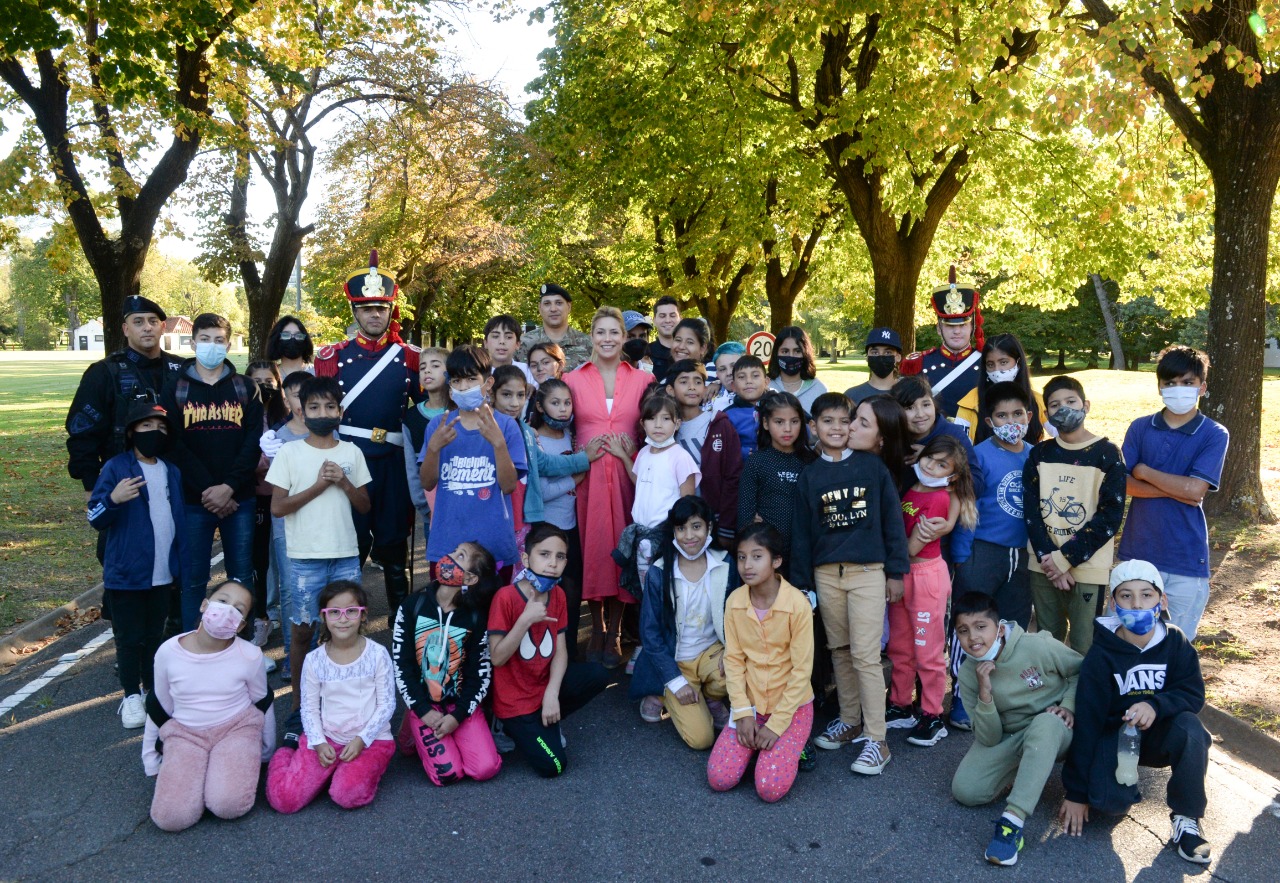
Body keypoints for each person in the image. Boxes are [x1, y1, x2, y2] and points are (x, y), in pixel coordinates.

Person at [1059, 560, 1213, 866]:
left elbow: (1193, 694)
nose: (1137, 603)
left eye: (1146, 594)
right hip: (1114, 738)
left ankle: (1187, 818)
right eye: (1126, 596)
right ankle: (1119, 785)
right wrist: (1075, 792)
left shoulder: (1176, 642)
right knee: (1109, 805)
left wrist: (1155, 705)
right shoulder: (1101, 655)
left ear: (1162, 600)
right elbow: (1088, 723)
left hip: (1158, 736)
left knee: (1192, 730)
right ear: (1113, 603)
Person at [791, 393, 910, 774]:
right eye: (828, 421)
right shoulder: (810, 476)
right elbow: (803, 534)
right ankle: (849, 718)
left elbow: (893, 522)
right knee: (839, 649)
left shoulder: (872, 469)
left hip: (867, 573)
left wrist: (896, 572)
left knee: (865, 654)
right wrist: (804, 583)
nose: (838, 428)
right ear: (814, 427)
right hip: (827, 574)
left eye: (846, 421)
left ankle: (878, 739)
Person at [315, 250, 420, 616]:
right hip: (349, 461)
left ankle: (401, 621)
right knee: (350, 545)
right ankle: (343, 621)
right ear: (355, 312)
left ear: (391, 311)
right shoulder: (331, 358)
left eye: (381, 308)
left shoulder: (410, 358)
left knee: (393, 545)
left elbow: (424, 413)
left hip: (391, 465)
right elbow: (318, 415)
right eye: (366, 308)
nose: (375, 314)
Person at [950, 592, 1082, 867]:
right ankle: (1024, 771)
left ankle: (1012, 823)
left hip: (1056, 726)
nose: (973, 637)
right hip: (1012, 734)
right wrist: (985, 693)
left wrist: (1069, 706)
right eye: (963, 631)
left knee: (1045, 724)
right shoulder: (968, 673)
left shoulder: (1037, 646)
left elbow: (1081, 670)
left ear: (998, 629)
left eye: (980, 627)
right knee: (966, 791)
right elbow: (988, 737)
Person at [266, 375, 372, 709]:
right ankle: (300, 702)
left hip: (345, 555)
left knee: (348, 629)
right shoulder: (289, 453)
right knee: (303, 631)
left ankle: (348, 697)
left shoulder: (352, 452)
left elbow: (365, 505)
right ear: (301, 411)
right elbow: (278, 507)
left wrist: (343, 482)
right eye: (314, 406)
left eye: (329, 406)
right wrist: (317, 486)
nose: (322, 412)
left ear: (340, 411)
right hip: (304, 558)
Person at [142, 580, 275, 832]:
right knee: (170, 818)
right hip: (186, 733)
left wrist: (267, 751)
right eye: (223, 601)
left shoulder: (250, 655)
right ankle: (199, 778)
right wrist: (150, 757)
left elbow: (262, 702)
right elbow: (159, 706)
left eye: (238, 609)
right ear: (205, 605)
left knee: (229, 805)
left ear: (242, 624)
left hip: (236, 729)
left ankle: (217, 776)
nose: (228, 611)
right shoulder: (167, 652)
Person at [160, 312, 263, 630]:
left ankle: (238, 648)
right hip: (194, 500)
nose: (211, 346)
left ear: (229, 344)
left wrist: (229, 487)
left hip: (239, 499)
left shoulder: (246, 388)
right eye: (205, 339)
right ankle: (194, 646)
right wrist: (210, 489)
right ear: (193, 342)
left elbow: (253, 441)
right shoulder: (175, 388)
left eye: (219, 340)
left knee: (242, 576)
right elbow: (173, 445)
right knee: (193, 579)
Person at [1118, 346, 1229, 638]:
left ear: (1202, 387)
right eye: (1169, 383)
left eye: (1187, 383)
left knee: (1176, 643)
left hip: (1186, 557)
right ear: (1159, 387)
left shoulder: (1214, 433)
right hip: (1138, 551)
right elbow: (1124, 484)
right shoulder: (1140, 428)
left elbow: (1195, 490)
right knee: (1127, 638)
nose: (1177, 389)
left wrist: (1145, 472)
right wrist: (1178, 489)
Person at [88, 401, 186, 729]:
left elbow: (178, 519)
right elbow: (95, 517)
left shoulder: (172, 470)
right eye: (146, 427)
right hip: (127, 573)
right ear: (132, 432)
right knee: (129, 637)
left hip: (163, 571)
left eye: (160, 428)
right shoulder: (117, 467)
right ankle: (130, 695)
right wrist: (113, 499)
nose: (153, 433)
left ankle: (150, 691)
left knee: (154, 635)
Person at [562, 307, 651, 665]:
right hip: (589, 479)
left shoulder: (644, 380)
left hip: (629, 479)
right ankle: (596, 629)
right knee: (594, 550)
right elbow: (561, 425)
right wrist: (577, 456)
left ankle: (615, 631)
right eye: (601, 332)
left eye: (615, 332)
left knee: (623, 550)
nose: (608, 338)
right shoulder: (572, 378)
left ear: (625, 336)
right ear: (592, 336)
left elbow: (653, 424)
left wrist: (635, 449)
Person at [487, 524, 610, 777]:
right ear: (525, 558)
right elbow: (497, 658)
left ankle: (546, 717)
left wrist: (552, 694)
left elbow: (561, 651)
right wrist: (525, 620)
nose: (552, 563)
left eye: (560, 556)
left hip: (542, 689)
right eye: (544, 554)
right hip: (515, 701)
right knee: (554, 766)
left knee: (598, 675)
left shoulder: (559, 595)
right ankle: (504, 726)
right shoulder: (506, 597)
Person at [265, 581, 396, 812]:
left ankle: (348, 771)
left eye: (351, 611)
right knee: (284, 800)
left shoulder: (377, 654)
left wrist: (361, 739)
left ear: (363, 615)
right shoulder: (314, 659)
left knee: (347, 795)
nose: (343, 618)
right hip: (327, 738)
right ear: (323, 617)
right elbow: (309, 707)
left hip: (371, 740)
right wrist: (317, 741)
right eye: (334, 612)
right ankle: (287, 752)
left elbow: (387, 705)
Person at [707, 523, 814, 802]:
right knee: (720, 778)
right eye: (741, 557)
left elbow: (802, 672)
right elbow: (733, 660)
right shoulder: (735, 602)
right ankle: (761, 748)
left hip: (791, 709)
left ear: (776, 561)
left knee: (769, 788)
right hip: (751, 706)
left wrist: (777, 725)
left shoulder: (797, 605)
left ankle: (790, 746)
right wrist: (742, 713)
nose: (747, 565)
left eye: (757, 556)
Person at [887, 435, 977, 747]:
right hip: (903, 574)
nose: (932, 467)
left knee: (928, 650)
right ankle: (900, 704)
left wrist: (894, 564)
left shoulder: (939, 498)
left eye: (942, 465)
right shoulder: (913, 487)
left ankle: (932, 714)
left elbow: (913, 547)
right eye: (930, 459)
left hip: (924, 575)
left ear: (951, 475)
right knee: (900, 646)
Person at [1025, 375, 1126, 655]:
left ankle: (1081, 700)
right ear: (1047, 414)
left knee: (1084, 644)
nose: (1064, 409)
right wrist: (1050, 560)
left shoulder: (1107, 453)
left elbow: (1110, 516)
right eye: (1055, 405)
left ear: (1086, 405)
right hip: (1042, 565)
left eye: (1071, 401)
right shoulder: (1039, 455)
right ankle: (1050, 699)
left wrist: (1064, 559)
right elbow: (1032, 512)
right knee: (1047, 642)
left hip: (1088, 566)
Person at [392, 542, 503, 785]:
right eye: (452, 551)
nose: (448, 556)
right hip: (424, 706)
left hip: (459, 706)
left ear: (471, 578)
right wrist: (422, 710)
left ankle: (447, 732)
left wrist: (459, 716)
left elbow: (481, 675)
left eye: (460, 556)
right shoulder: (412, 606)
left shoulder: (476, 618)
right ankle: (410, 728)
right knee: (447, 774)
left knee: (485, 768)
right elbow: (402, 666)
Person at [66, 295, 184, 511]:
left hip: (178, 479)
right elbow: (82, 433)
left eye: (153, 321)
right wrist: (92, 486)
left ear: (163, 327)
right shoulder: (104, 373)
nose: (147, 327)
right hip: (125, 482)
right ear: (125, 329)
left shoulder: (183, 370)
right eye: (138, 322)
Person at [631, 497, 732, 743]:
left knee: (743, 671)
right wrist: (675, 682)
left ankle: (711, 696)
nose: (689, 536)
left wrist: (732, 652)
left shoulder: (726, 563)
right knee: (702, 740)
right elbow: (650, 632)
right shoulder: (659, 570)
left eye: (696, 526)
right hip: (676, 660)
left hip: (711, 652)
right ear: (673, 531)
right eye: (681, 528)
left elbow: (738, 615)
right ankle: (662, 692)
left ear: (709, 527)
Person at [419, 346, 527, 575]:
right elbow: (427, 483)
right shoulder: (437, 426)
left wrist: (498, 444)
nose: (464, 387)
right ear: (449, 385)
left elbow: (509, 486)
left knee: (493, 609)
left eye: (471, 379)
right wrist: (434, 448)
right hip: (447, 545)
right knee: (448, 608)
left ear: (488, 383)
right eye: (457, 381)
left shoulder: (506, 426)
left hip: (494, 546)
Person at [952, 382, 1036, 629]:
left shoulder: (1036, 455)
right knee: (972, 619)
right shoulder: (977, 456)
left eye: (1017, 414)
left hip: (1023, 555)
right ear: (989, 422)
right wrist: (961, 556)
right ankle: (963, 668)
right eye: (1002, 416)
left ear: (1028, 415)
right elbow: (967, 505)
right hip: (982, 552)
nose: (1011, 422)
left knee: (1014, 623)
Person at [529, 379, 595, 659]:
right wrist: (574, 478)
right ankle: (543, 650)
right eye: (555, 403)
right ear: (540, 406)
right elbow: (541, 491)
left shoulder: (573, 435)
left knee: (572, 592)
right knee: (546, 591)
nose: (562, 409)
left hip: (572, 527)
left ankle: (569, 651)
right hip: (546, 528)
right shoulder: (535, 439)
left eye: (567, 402)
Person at [260, 369, 311, 680]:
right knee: (291, 590)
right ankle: (295, 655)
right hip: (287, 526)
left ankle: (320, 651)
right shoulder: (276, 438)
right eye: (295, 394)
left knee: (321, 589)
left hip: (323, 526)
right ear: (287, 399)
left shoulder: (331, 431)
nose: (303, 401)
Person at [737, 391, 816, 578]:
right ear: (766, 423)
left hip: (805, 555)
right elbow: (745, 517)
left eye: (794, 421)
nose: (787, 429)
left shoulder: (810, 462)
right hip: (767, 557)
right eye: (779, 422)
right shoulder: (756, 462)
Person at [667, 360, 742, 548]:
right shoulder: (664, 428)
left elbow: (732, 477)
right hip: (675, 521)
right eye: (684, 381)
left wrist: (725, 526)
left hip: (712, 520)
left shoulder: (719, 424)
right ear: (670, 389)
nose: (692, 387)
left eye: (698, 381)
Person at [899, 266, 984, 428]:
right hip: (932, 444)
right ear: (939, 329)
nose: (957, 331)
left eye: (963, 325)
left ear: (972, 327)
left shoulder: (986, 361)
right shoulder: (918, 363)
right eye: (950, 326)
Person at [247, 360, 285, 653]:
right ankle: (263, 615)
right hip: (257, 496)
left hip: (285, 496)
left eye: (268, 379)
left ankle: (287, 613)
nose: (264, 384)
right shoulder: (246, 414)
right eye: (256, 380)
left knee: (285, 556)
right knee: (260, 560)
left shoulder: (284, 414)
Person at [402, 346, 451, 551]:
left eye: (435, 365)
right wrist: (424, 507)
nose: (427, 371)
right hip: (432, 510)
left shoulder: (461, 412)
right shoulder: (411, 418)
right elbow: (412, 470)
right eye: (423, 367)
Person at [963, 333, 1050, 445]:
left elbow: (1063, 433)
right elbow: (960, 447)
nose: (997, 370)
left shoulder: (1037, 400)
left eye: (1003, 362)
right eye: (990, 364)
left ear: (1018, 362)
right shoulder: (970, 402)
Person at [515, 282, 593, 371]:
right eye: (547, 304)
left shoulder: (588, 344)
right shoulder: (523, 344)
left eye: (559, 303)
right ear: (540, 308)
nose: (553, 309)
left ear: (569, 306)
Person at [768, 326, 827, 415]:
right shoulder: (764, 386)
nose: (791, 355)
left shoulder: (819, 389)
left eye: (797, 351)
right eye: (785, 351)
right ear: (776, 353)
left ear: (806, 353)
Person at [723, 354, 771, 459]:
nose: (749, 381)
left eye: (755, 376)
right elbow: (722, 447)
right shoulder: (727, 416)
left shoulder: (778, 407)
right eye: (741, 377)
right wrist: (738, 452)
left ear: (766, 382)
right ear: (733, 386)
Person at [845, 327, 903, 405]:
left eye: (888, 352)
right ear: (867, 358)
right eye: (875, 353)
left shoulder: (908, 393)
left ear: (898, 357)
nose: (881, 357)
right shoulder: (852, 396)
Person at [484, 314, 535, 386]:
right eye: (495, 336)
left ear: (518, 344)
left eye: (508, 337)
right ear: (485, 343)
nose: (502, 341)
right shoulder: (476, 372)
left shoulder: (529, 372)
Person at [668, 317, 716, 384]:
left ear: (703, 348)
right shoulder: (668, 377)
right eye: (678, 340)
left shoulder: (713, 374)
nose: (681, 347)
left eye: (690, 342)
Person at [647, 295, 682, 381]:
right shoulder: (646, 353)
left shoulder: (690, 351)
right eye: (662, 316)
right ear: (654, 320)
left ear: (680, 318)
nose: (667, 320)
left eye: (672, 315)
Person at [710, 341, 745, 411]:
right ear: (717, 374)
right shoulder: (709, 399)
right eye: (722, 369)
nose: (729, 373)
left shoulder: (765, 396)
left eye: (734, 366)